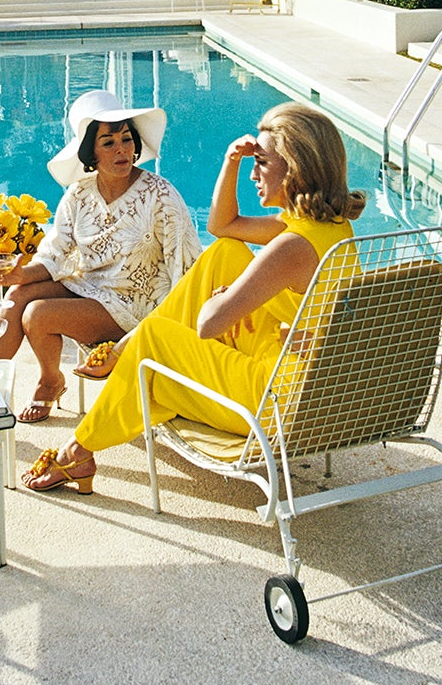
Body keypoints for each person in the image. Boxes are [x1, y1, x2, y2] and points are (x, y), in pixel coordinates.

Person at [19, 102, 365, 493]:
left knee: (156, 342)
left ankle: (77, 451)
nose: (253, 173)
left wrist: (229, 298)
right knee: (226, 252)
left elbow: (208, 324)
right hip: (306, 379)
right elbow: (222, 227)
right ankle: (124, 350)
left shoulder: (290, 247)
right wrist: (230, 161)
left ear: (296, 169)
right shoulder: (328, 228)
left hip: (272, 402)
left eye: (262, 163)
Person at [0, 90, 201, 423]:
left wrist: (168, 332)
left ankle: (49, 381)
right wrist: (19, 274)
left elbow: (186, 269)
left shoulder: (160, 196)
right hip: (89, 287)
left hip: (134, 307)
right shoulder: (79, 194)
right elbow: (56, 254)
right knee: (18, 296)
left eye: (127, 139)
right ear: (90, 152)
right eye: (109, 142)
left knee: (38, 315)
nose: (122, 150)